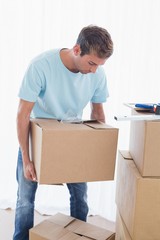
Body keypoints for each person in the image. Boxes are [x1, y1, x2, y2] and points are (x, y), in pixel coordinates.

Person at [13, 25, 113, 240]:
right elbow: (22, 114)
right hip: (36, 138)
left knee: (80, 199)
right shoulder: (41, 65)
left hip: (72, 138)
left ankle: (80, 237)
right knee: (25, 200)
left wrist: (94, 155)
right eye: (92, 63)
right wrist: (27, 159)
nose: (94, 70)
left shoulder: (97, 74)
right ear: (77, 49)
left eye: (100, 65)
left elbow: (98, 113)